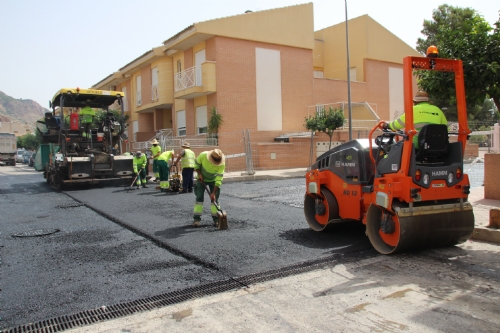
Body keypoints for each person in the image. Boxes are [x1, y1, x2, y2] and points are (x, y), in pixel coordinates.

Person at [383, 91, 448, 147]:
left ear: (415, 102)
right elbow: (446, 128)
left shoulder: (413, 110)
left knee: (392, 148)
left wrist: (387, 125)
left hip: (417, 145)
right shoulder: (437, 110)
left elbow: (397, 125)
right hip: (437, 145)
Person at [192, 149, 225, 227]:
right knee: (199, 198)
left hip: (213, 180)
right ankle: (196, 219)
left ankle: (216, 219)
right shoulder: (203, 155)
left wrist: (213, 193)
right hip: (201, 179)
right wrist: (199, 174)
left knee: (215, 199)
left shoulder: (222, 164)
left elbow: (219, 179)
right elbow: (196, 165)